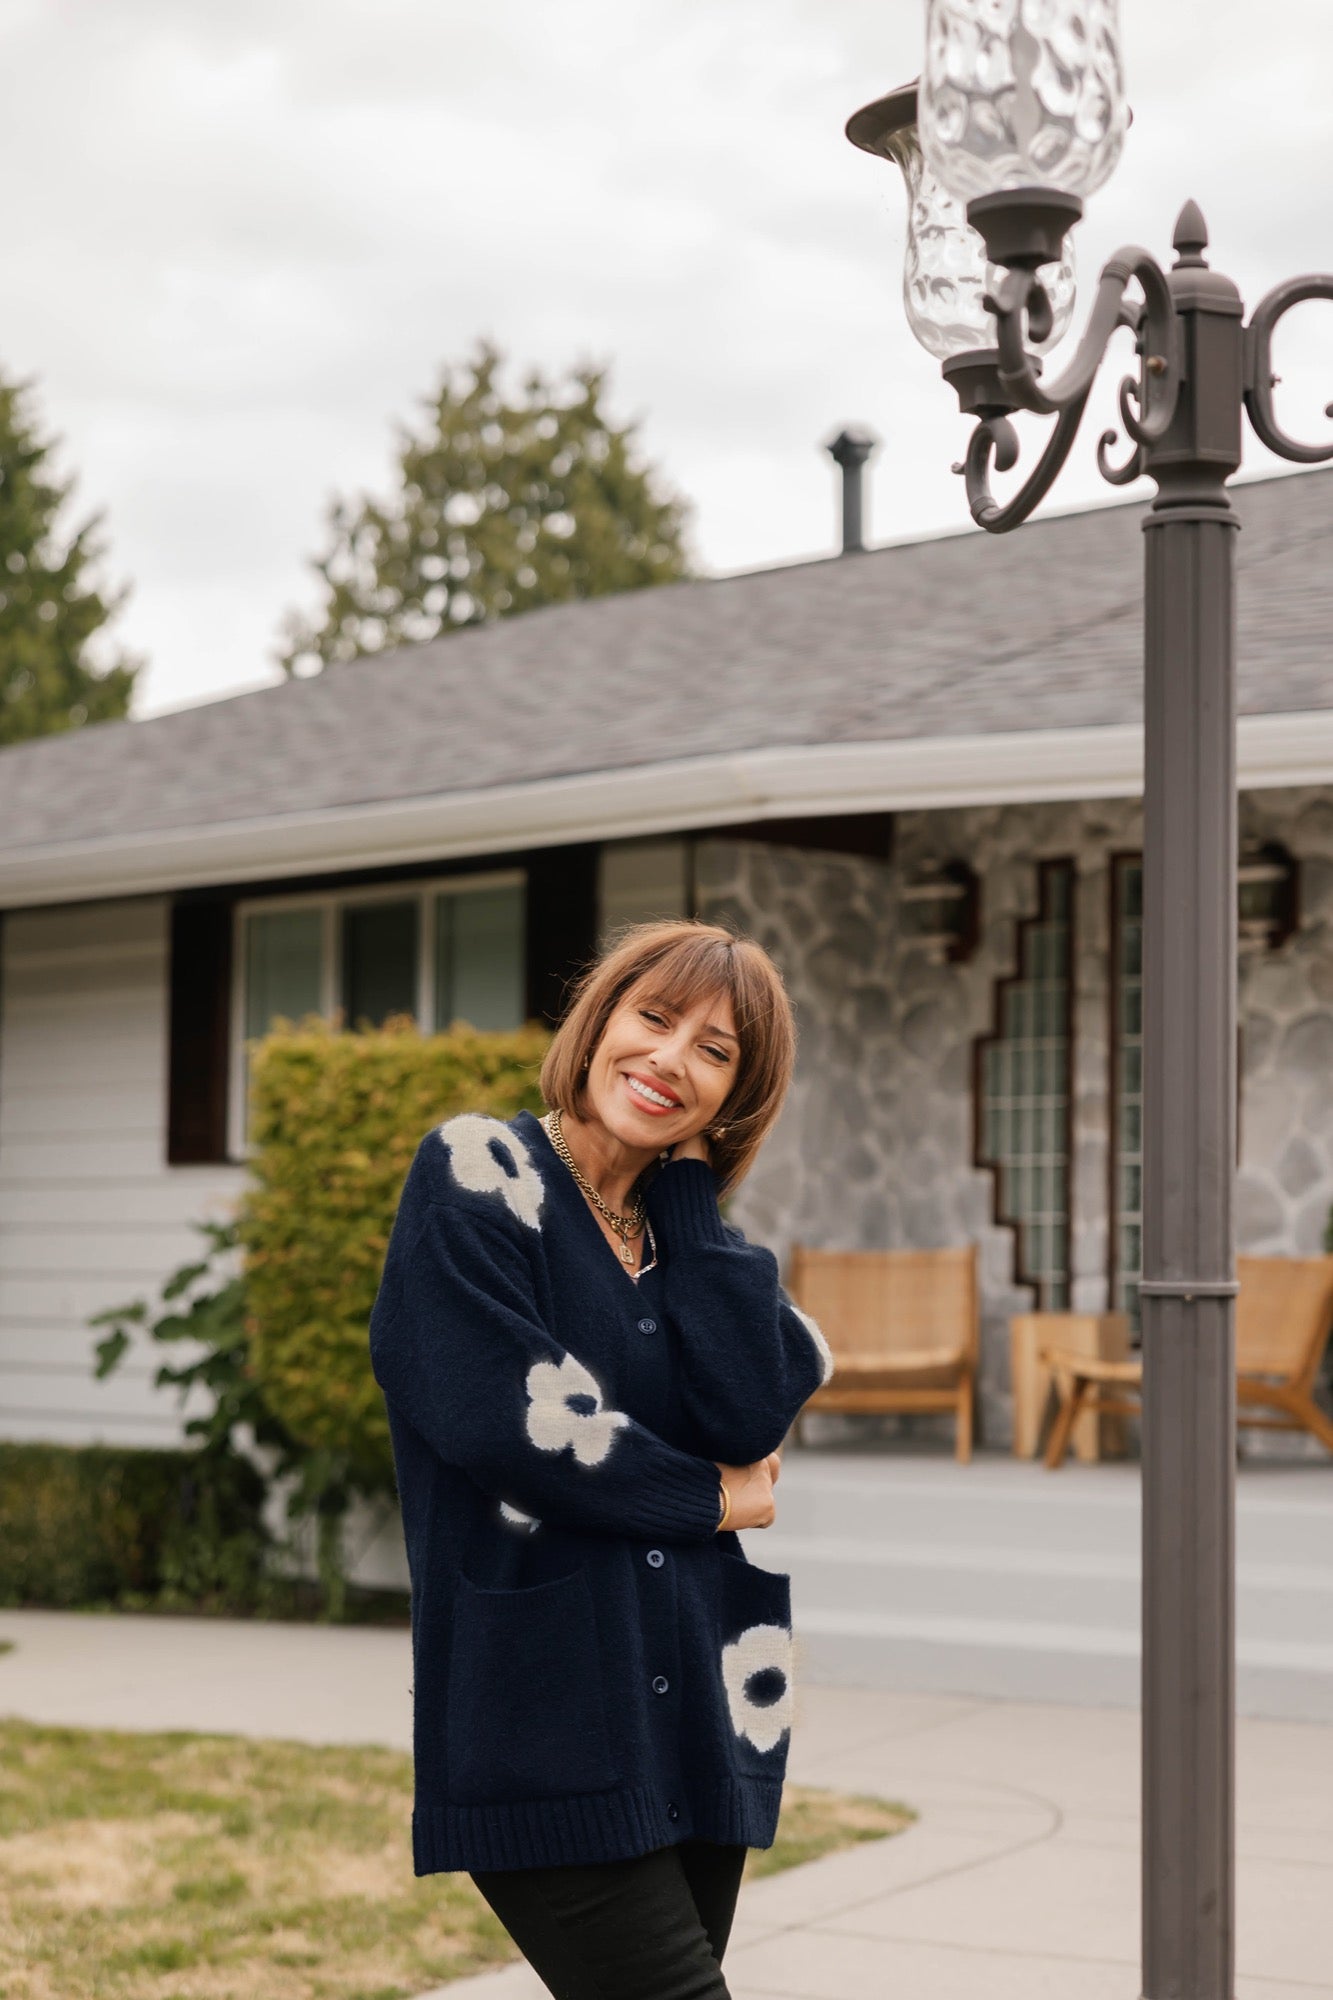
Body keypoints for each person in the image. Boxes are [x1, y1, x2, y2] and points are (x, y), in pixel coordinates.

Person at [368, 917, 834, 2000]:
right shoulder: (479, 1173)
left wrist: (685, 1194)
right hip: (547, 1711)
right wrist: (711, 1498)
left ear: (737, 1095)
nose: (672, 1059)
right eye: (655, 1018)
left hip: (703, 1714)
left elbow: (765, 1392)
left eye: (716, 1051)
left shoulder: (696, 1252)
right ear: (600, 1020)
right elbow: (519, 1428)